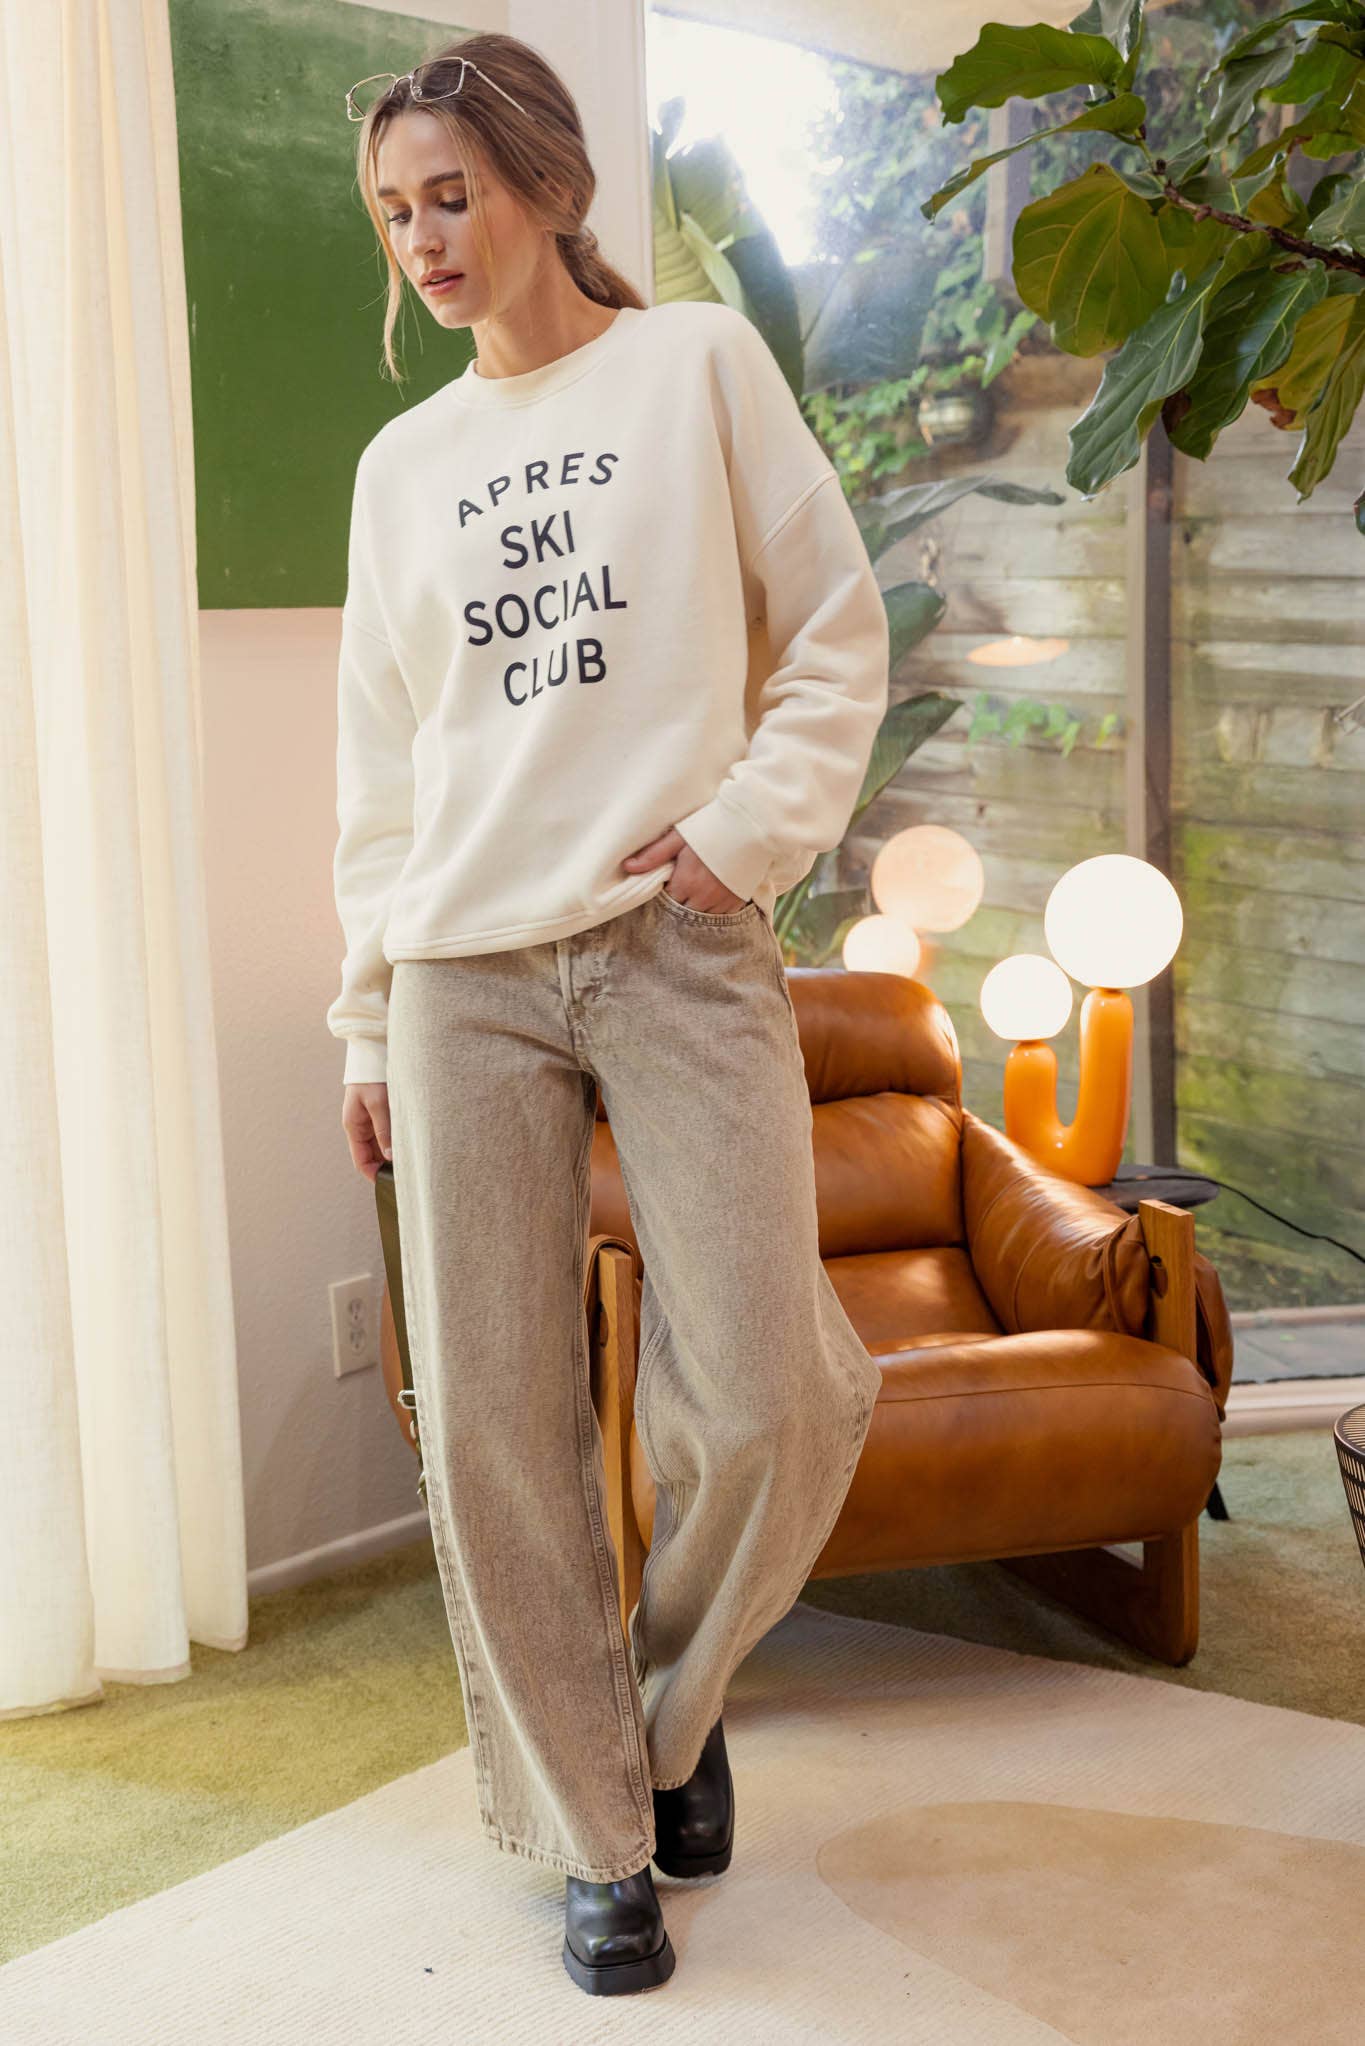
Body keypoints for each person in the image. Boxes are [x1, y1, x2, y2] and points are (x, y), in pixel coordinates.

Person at [327, 29, 888, 1999]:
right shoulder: (402, 470)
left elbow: (833, 629)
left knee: (772, 1389)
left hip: (674, 936)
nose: (423, 239)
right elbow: (381, 775)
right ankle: (597, 1835)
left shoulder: (696, 368)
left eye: (451, 195)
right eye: (394, 211)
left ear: (548, 186)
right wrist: (364, 1019)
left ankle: (660, 1711)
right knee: (495, 1422)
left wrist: (746, 832)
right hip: (461, 972)